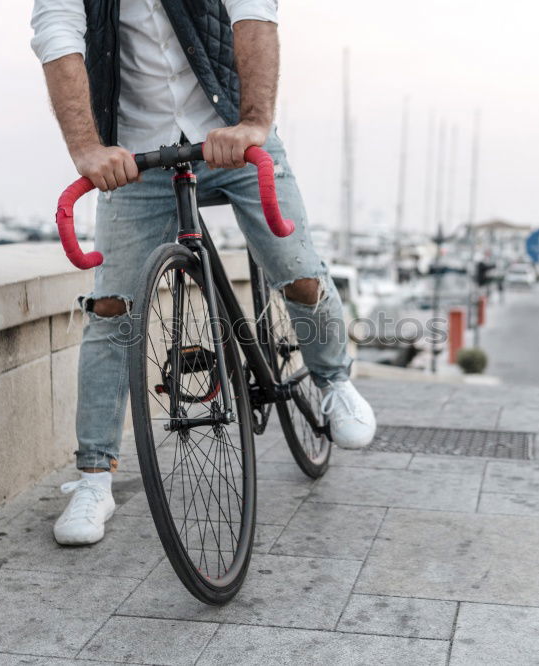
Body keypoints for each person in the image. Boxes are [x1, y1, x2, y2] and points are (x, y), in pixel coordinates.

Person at [31, 0, 377, 546]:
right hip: (137, 155)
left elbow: (253, 15)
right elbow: (58, 39)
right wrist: (87, 149)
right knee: (112, 308)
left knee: (297, 269)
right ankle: (94, 478)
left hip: (234, 136)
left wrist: (256, 122)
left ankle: (333, 379)